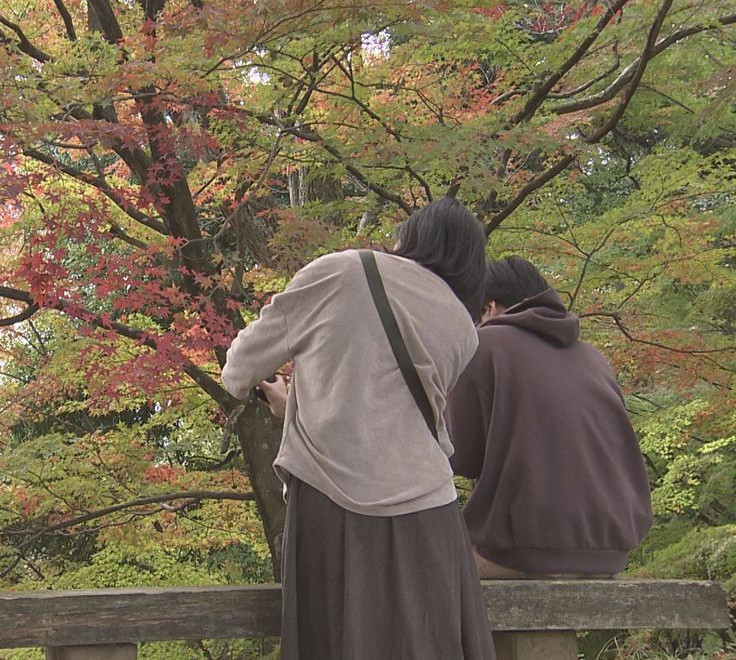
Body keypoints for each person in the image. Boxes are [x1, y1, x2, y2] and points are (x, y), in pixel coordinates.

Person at [222, 198, 495, 659]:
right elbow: (389, 414)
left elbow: (238, 371)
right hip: (430, 515)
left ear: (413, 237)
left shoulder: (343, 272)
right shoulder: (461, 328)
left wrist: (291, 400)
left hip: (331, 506)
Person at [445, 256, 653, 579]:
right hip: (609, 553)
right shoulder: (593, 358)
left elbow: (461, 457)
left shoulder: (483, 345)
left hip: (525, 549)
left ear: (489, 307)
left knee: (422, 577)